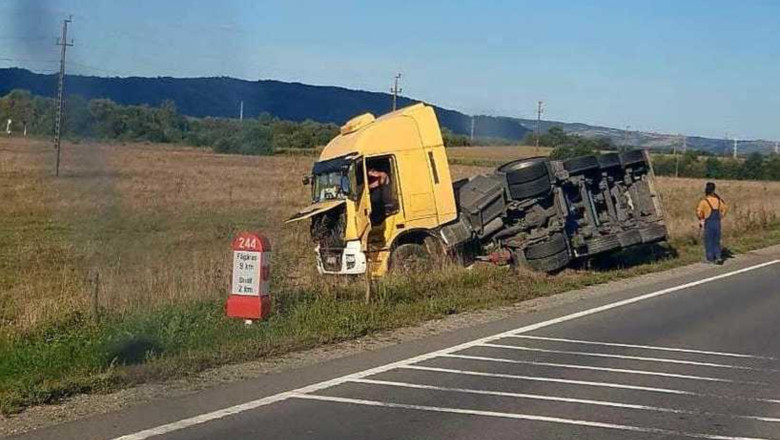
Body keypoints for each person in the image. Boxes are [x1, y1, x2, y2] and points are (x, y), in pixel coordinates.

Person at [696, 182, 728, 264]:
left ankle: (710, 258)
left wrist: (701, 219)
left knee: (709, 240)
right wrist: (721, 216)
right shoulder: (718, 200)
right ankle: (718, 257)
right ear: (714, 190)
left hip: (709, 223)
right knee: (716, 240)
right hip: (717, 222)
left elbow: (699, 212)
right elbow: (725, 208)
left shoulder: (704, 201)